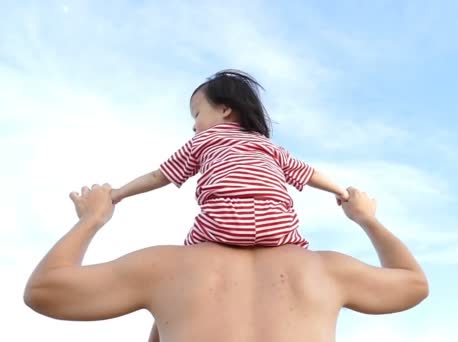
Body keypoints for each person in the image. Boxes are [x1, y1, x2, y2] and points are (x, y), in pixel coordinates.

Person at [24, 184, 429, 342]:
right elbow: (412, 283)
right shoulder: (328, 269)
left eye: (197, 119)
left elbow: (46, 291)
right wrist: (367, 220)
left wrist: (94, 218)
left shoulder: (166, 267)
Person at [111, 69, 348, 248]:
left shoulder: (204, 140)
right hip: (277, 224)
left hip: (222, 220)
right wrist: (341, 192)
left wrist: (119, 193)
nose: (194, 126)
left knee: (187, 256)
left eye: (197, 115)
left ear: (225, 110)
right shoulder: (269, 146)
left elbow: (159, 176)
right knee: (298, 251)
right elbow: (310, 174)